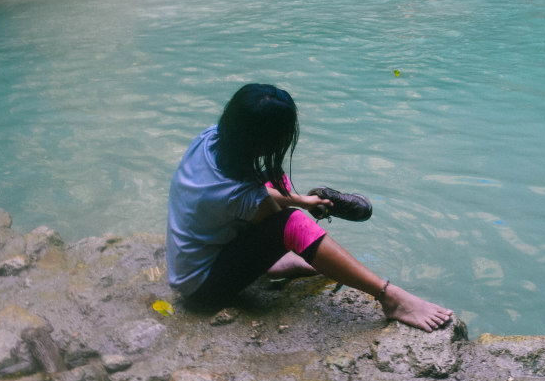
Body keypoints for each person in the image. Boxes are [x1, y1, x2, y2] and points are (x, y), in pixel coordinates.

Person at [166, 84, 453, 332]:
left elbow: (252, 196)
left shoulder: (211, 137)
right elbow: (275, 218)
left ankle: (275, 261)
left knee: (273, 180)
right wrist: (301, 206)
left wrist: (303, 200)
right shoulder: (233, 194)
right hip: (202, 289)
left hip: (204, 256)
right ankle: (390, 297)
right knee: (291, 223)